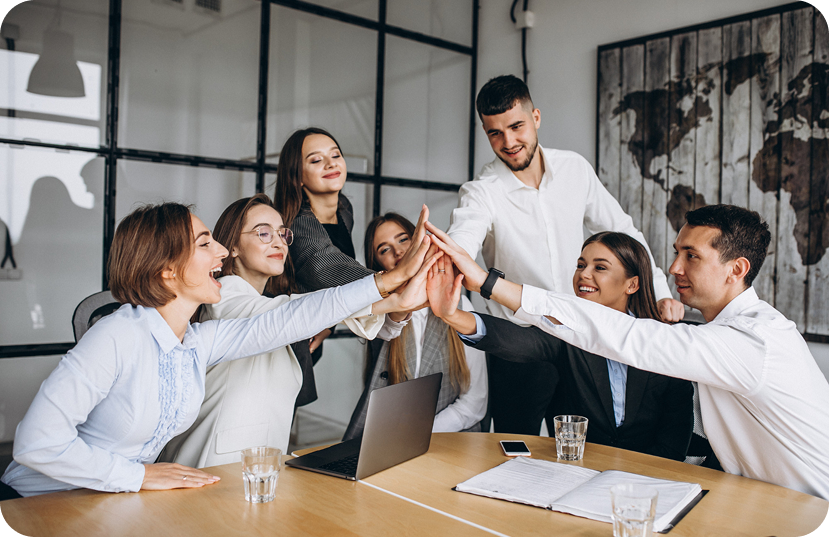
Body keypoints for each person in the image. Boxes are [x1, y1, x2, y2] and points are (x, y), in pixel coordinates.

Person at [0, 202, 438, 497]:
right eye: (206, 243)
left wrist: (385, 286)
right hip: (39, 503)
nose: (223, 252)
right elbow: (37, 444)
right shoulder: (115, 337)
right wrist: (139, 475)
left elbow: (286, 319)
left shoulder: (196, 342)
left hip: (111, 500)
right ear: (168, 269)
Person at [426, 205, 829, 499]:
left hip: (805, 505)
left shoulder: (750, 340)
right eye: (677, 252)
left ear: (736, 269)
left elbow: (628, 337)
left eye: (692, 256)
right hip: (765, 497)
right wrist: (456, 314)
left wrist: (486, 282)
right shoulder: (723, 332)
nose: (673, 268)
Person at [446, 74, 685, 436]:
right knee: (515, 450)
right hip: (519, 346)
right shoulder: (482, 192)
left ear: (536, 117)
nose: (508, 142)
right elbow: (461, 241)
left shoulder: (575, 168)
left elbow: (625, 231)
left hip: (579, 341)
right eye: (495, 133)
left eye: (517, 126)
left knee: (584, 449)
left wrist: (661, 293)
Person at [159, 195, 410, 468]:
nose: (278, 242)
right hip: (210, 470)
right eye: (264, 233)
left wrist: (397, 302)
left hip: (255, 473)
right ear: (231, 246)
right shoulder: (226, 297)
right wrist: (391, 288)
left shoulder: (267, 303)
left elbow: (296, 312)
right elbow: (293, 313)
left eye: (282, 233)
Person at [427, 231, 693, 461]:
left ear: (632, 284)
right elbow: (518, 341)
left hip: (650, 479)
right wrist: (452, 315)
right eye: (580, 265)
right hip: (578, 472)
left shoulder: (662, 341)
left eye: (599, 267)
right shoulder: (568, 332)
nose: (583, 275)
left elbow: (675, 436)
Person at [343, 213, 487, 440]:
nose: (398, 252)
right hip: (392, 438)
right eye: (384, 249)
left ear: (420, 240)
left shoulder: (460, 306)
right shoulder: (381, 316)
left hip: (451, 439)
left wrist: (418, 433)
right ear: (377, 265)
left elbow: (475, 402)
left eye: (403, 240)